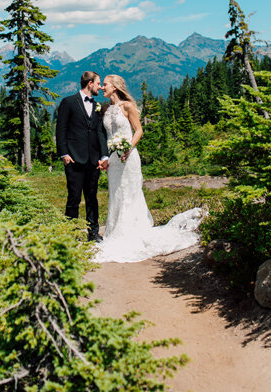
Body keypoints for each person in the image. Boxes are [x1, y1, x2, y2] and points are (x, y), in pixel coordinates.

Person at [93, 74, 202, 263]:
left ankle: (132, 231)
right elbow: (104, 136)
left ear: (115, 87)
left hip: (129, 157)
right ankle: (116, 230)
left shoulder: (128, 106)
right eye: (102, 85)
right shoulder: (105, 109)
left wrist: (128, 148)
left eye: (105, 85)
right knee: (116, 193)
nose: (102, 88)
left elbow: (139, 130)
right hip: (114, 159)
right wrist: (106, 158)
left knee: (130, 193)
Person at [55, 71, 109, 241]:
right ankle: (69, 235)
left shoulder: (97, 105)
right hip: (74, 159)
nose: (100, 87)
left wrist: (104, 155)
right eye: (98, 83)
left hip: (93, 160)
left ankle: (93, 233)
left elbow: (100, 132)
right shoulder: (68, 102)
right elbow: (60, 129)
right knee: (74, 198)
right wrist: (64, 153)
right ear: (90, 84)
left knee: (92, 198)